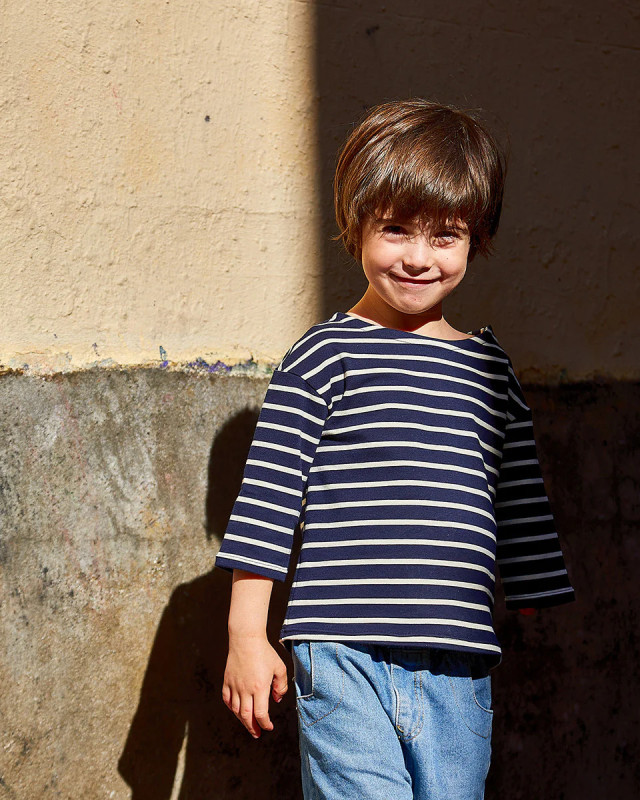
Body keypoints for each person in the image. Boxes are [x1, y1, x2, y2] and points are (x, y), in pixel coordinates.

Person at [214, 98, 575, 800]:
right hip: (342, 650)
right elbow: (267, 502)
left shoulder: (488, 368)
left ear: (478, 240)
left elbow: (516, 487)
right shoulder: (323, 356)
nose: (418, 257)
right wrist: (246, 637)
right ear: (356, 227)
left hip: (458, 659)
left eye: (446, 236)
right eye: (396, 230)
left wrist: (531, 586)